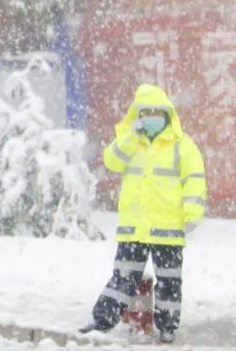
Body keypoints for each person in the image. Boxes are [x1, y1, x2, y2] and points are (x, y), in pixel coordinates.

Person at [80, 83, 206, 344]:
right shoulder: (130, 143)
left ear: (167, 114)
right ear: (137, 116)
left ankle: (167, 326)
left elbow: (194, 178)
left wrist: (192, 212)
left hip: (168, 229)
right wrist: (129, 136)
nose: (150, 117)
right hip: (134, 228)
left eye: (156, 112)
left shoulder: (182, 145)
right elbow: (110, 161)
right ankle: (102, 320)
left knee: (169, 282)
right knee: (122, 278)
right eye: (145, 112)